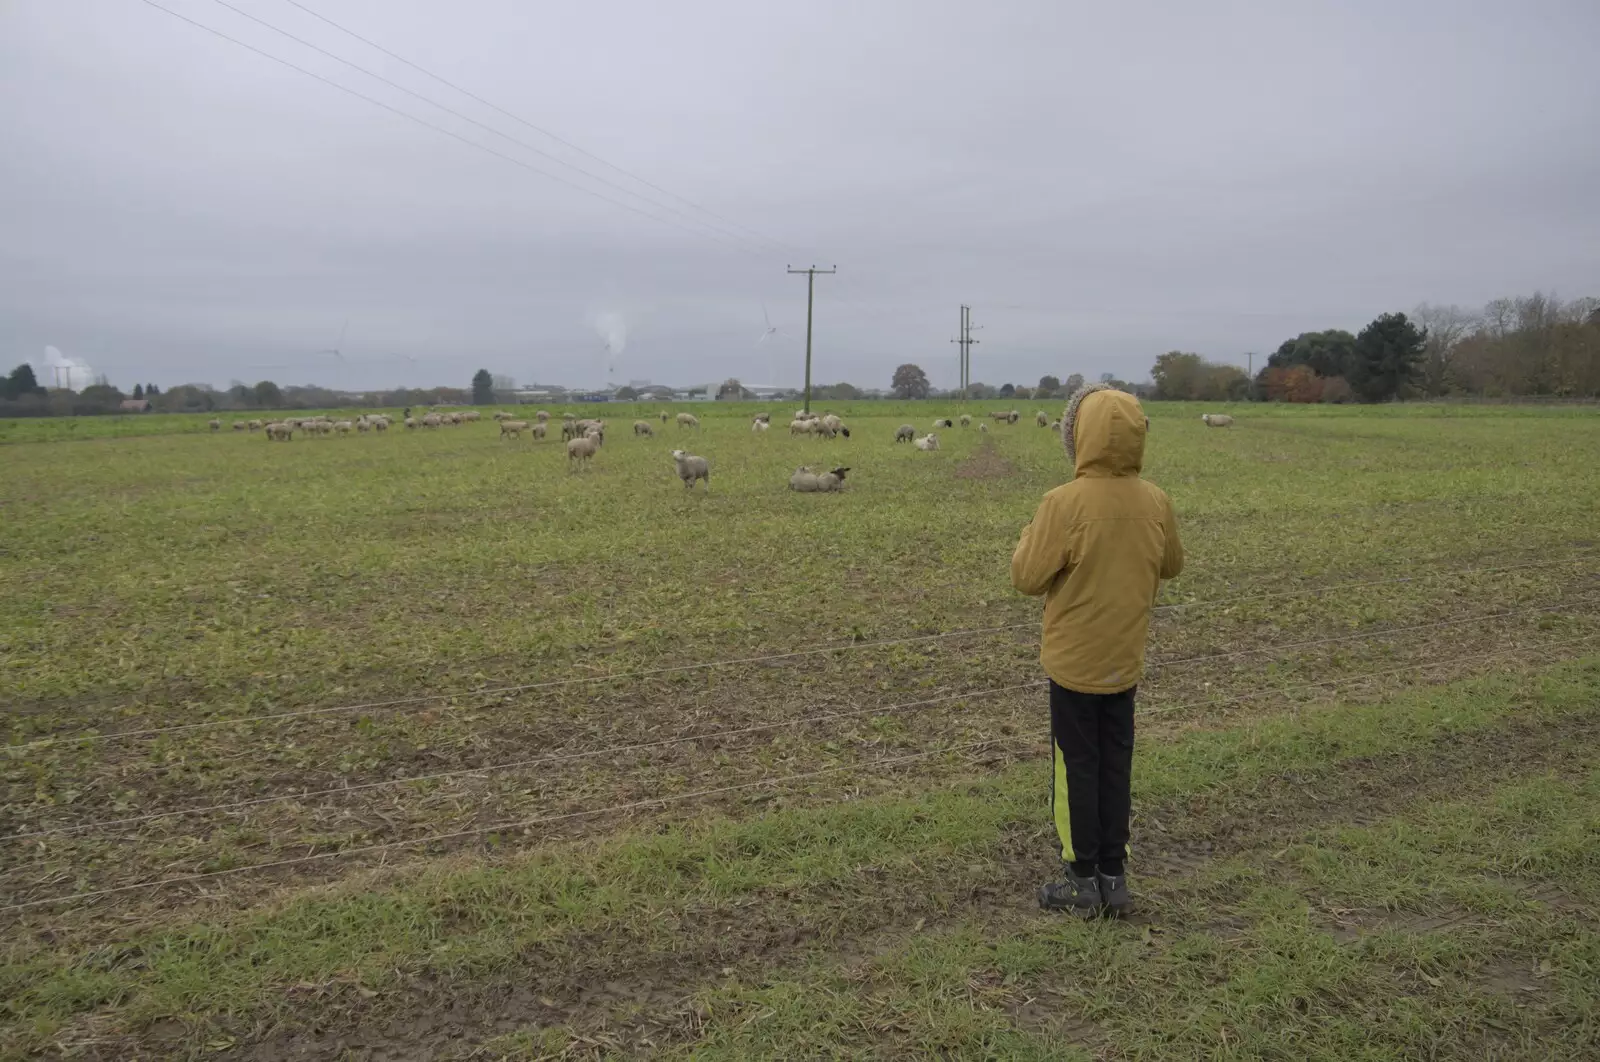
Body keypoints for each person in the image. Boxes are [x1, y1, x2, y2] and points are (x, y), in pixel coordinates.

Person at [1010, 383, 1183, 918]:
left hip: (1073, 665)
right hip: (1123, 661)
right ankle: (1114, 874)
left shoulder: (1063, 503)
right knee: (1116, 764)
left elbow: (1026, 576)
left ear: (1076, 435)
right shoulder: (1155, 500)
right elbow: (1172, 565)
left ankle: (1080, 880)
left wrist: (1029, 534)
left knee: (1075, 767)